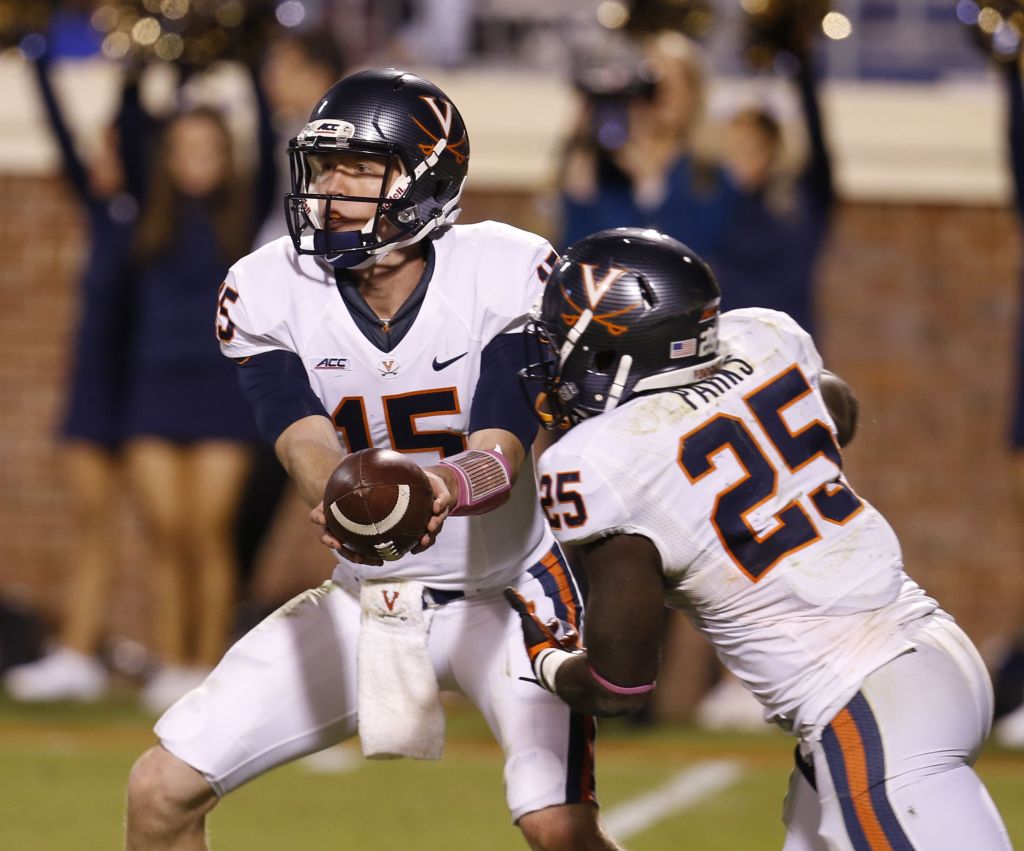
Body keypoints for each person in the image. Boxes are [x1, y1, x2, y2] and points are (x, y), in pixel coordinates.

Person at [123, 69, 620, 850]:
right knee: (158, 791)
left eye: (358, 169)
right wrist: (343, 491)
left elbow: (501, 452)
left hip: (509, 592)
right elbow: (300, 434)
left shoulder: (501, 269)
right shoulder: (270, 285)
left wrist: (435, 487)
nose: (331, 189)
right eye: (324, 168)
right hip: (369, 598)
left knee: (558, 827)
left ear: (429, 181)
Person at [510, 228, 1012, 850]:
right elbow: (837, 411)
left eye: (564, 340)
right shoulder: (764, 338)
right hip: (931, 653)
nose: (553, 359)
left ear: (617, 352)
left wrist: (543, 658)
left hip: (868, 705)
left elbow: (619, 686)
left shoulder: (597, 460)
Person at [3, 52, 147, 702]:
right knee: (90, 519)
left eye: (114, 146)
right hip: (93, 383)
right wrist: (36, 60)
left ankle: (150, 652)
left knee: (155, 527)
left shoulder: (152, 217)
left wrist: (140, 71)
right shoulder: (100, 211)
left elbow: (137, 135)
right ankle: (79, 649)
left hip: (138, 384)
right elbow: (62, 137)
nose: (100, 156)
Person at [124, 95, 272, 713]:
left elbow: (269, 138)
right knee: (166, 533)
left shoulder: (242, 216)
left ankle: (207, 664)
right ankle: (169, 661)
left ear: (227, 156)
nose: (196, 161)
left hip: (220, 392)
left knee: (208, 532)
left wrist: (248, 63)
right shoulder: (149, 215)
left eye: (209, 149)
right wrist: (152, 71)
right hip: (154, 388)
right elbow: (130, 126)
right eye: (184, 149)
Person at [559, 31, 736, 256]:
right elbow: (578, 246)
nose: (663, 94)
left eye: (676, 83)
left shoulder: (709, 175)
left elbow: (695, 250)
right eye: (653, 83)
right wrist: (584, 145)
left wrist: (649, 183)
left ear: (694, 95)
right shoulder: (611, 167)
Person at [709, 49, 834, 338]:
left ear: (772, 150)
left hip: (788, 349)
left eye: (753, 147)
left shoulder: (800, 205)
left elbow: (819, 147)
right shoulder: (710, 206)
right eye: (735, 147)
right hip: (729, 350)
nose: (742, 158)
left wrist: (801, 64)